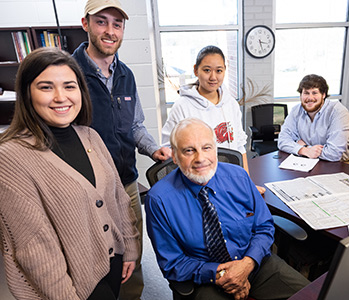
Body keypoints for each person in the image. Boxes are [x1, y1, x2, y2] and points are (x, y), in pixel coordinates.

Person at [0, 47, 139, 299]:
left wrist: (128, 247)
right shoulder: (10, 157)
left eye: (69, 86)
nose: (60, 97)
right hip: (72, 285)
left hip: (112, 263)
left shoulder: (90, 137)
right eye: (45, 87)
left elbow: (118, 198)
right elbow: (35, 248)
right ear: (26, 93)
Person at [146, 117, 309, 300]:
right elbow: (172, 263)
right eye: (189, 151)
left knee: (313, 295)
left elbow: (264, 227)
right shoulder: (159, 199)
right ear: (175, 156)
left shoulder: (239, 177)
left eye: (207, 148)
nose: (200, 158)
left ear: (215, 149)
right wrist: (223, 274)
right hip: (205, 276)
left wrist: (246, 265)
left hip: (253, 261)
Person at [72, 1, 171, 298]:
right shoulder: (69, 73)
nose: (110, 31)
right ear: (85, 24)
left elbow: (135, 126)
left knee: (132, 254)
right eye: (101, 22)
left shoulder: (126, 75)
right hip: (88, 188)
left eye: (117, 24)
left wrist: (155, 150)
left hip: (126, 183)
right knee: (94, 258)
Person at [160, 45, 266, 194]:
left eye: (219, 71)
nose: (213, 77)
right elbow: (169, 151)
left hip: (230, 181)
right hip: (198, 185)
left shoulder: (231, 104)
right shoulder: (182, 106)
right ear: (196, 70)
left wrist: (247, 184)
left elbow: (240, 146)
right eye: (207, 70)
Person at [278, 74, 349, 166]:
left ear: (323, 95)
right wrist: (304, 150)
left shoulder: (338, 112)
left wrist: (305, 146)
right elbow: (282, 141)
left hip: (344, 164)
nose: (310, 98)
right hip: (311, 161)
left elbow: (334, 154)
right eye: (306, 93)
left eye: (314, 93)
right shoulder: (296, 110)